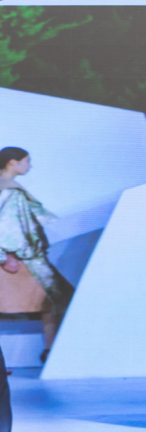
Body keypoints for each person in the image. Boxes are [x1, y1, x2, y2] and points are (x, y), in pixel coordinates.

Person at [0, 147, 74, 363]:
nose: (29, 166)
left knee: (51, 301)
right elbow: (7, 226)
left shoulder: (11, 188)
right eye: (26, 161)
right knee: (51, 299)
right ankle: (50, 351)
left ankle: (50, 351)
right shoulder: (9, 189)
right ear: (13, 162)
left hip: (22, 255)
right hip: (19, 257)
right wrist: (6, 256)